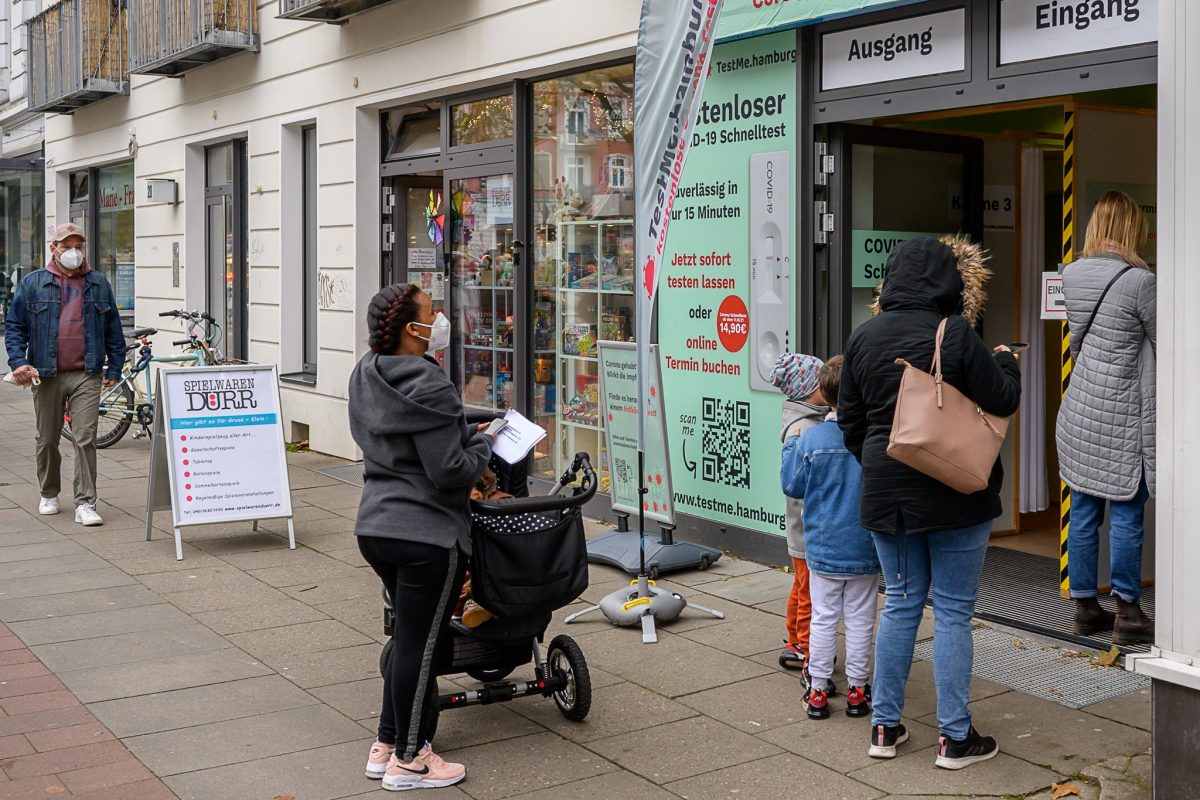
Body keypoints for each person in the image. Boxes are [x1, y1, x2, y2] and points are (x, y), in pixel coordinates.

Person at [838, 236, 1020, 770]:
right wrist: (1006, 362)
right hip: (956, 494)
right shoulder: (956, 334)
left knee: (899, 601)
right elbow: (1002, 399)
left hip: (885, 497)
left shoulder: (864, 336)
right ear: (949, 281)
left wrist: (883, 463)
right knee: (956, 613)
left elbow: (851, 424)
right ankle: (954, 738)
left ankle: (885, 727)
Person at [348, 283, 496, 791]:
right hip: (425, 534)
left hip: (375, 526)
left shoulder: (366, 373)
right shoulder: (430, 384)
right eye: (432, 312)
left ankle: (386, 744)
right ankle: (411, 759)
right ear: (414, 330)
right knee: (420, 647)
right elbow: (449, 470)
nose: (440, 318)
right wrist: (483, 448)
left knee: (407, 640)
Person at [1056, 190, 1156, 645]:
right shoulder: (1140, 282)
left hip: (1080, 410)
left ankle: (1084, 608)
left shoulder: (1071, 274)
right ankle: (1129, 612)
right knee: (1128, 513)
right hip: (1121, 414)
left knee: (1083, 511)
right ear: (1133, 227)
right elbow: (1168, 341)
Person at [4, 223, 124, 527]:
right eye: (66, 245)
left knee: (85, 438)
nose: (73, 251)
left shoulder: (98, 283)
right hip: (46, 373)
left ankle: (86, 502)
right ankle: (49, 492)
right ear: (53, 249)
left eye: (78, 246)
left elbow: (113, 329)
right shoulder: (33, 284)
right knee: (47, 439)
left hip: (87, 372)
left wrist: (115, 367)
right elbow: (15, 326)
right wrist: (18, 361)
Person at [781, 356, 880, 721]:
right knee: (860, 619)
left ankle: (819, 690)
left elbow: (792, 484)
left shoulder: (812, 438)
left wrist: (791, 446)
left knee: (823, 618)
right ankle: (858, 690)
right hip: (864, 544)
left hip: (822, 546)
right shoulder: (872, 437)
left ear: (825, 393)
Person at [770, 352, 829, 673]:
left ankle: (794, 637)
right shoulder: (805, 427)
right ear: (808, 389)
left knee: (801, 584)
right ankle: (805, 646)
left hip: (800, 527)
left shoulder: (806, 419)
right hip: (806, 527)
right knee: (809, 591)